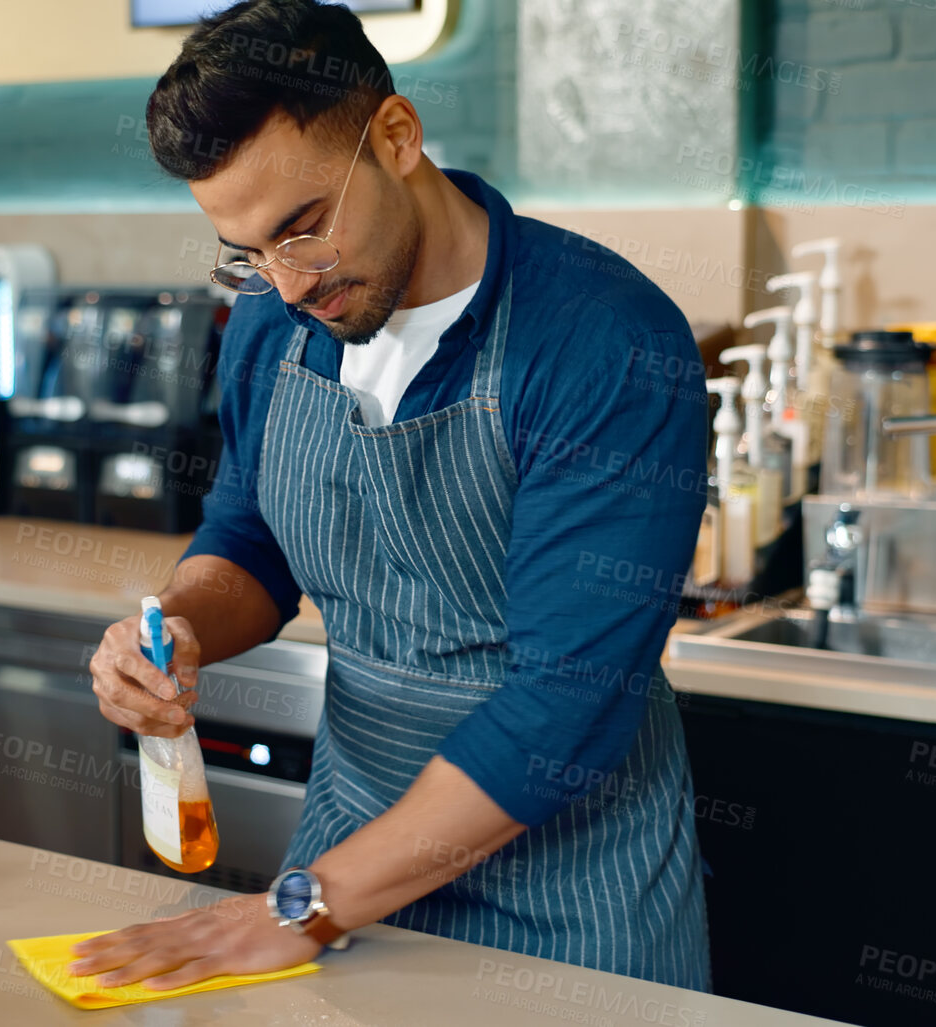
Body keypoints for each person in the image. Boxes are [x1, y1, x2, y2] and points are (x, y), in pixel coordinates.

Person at [74, 0, 710, 993]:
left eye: (302, 229)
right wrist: (183, 628)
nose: (286, 285)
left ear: (398, 137)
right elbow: (248, 537)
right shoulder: (270, 324)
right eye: (247, 253)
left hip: (574, 894)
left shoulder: (602, 338)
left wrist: (308, 904)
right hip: (346, 862)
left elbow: (566, 706)